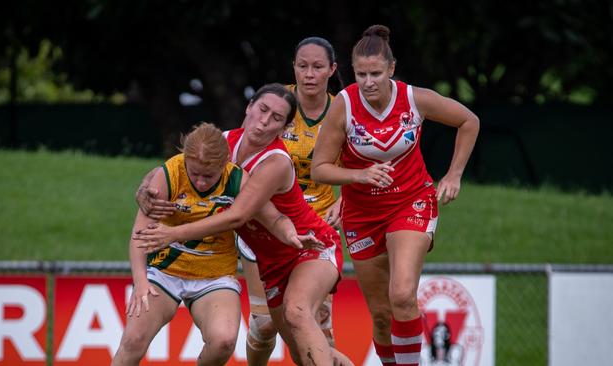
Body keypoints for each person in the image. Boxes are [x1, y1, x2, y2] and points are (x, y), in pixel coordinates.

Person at [137, 37, 352, 366]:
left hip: (310, 244)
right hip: (271, 258)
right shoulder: (224, 143)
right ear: (248, 108)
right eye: (262, 110)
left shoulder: (276, 162)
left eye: (276, 118)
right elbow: (181, 166)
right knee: (289, 341)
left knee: (298, 314)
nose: (265, 121)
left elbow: (237, 217)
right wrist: (148, 184)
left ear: (284, 127)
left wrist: (172, 234)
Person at [311, 25, 480, 366]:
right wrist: (358, 175)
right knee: (383, 316)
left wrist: (454, 174)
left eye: (375, 73)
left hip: (411, 201)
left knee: (402, 294)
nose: (369, 81)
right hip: (361, 214)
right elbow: (320, 168)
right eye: (361, 74)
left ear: (391, 69)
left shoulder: (414, 99)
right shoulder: (343, 106)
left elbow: (468, 121)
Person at [112, 122, 323, 366]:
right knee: (133, 340)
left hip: (214, 274)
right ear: (185, 159)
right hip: (165, 271)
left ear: (224, 163)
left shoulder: (237, 179)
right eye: (195, 174)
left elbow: (274, 217)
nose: (201, 182)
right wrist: (140, 282)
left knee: (223, 341)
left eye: (208, 176)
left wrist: (291, 235)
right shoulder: (168, 174)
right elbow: (139, 235)